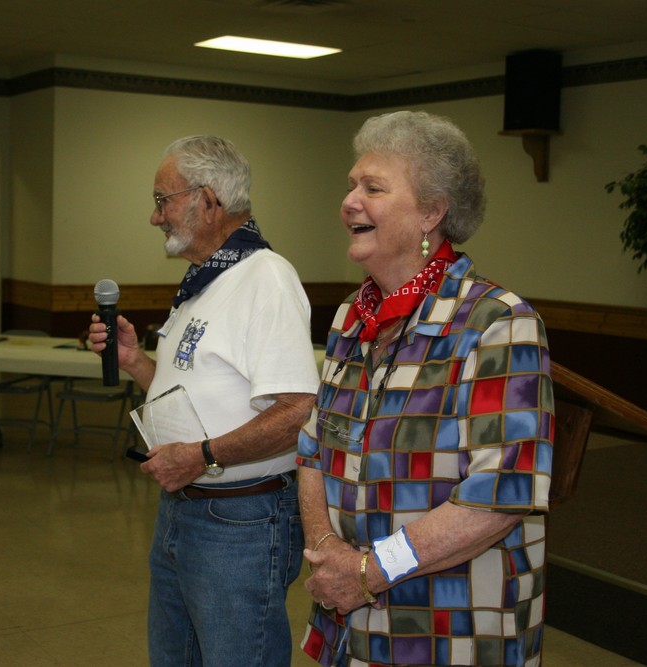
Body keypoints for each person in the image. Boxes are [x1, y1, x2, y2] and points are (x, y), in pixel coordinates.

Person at [298, 111, 554, 667]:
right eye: (350, 185)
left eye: (373, 188)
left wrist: (370, 570)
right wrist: (327, 552)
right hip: (349, 618)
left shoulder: (495, 323)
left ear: (432, 213)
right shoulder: (352, 317)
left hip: (450, 628)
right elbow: (313, 450)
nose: (350, 201)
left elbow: (502, 491)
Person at [88, 135, 320, 666]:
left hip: (241, 519)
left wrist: (202, 456)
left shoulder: (265, 278)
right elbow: (194, 395)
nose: (155, 218)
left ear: (209, 200)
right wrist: (135, 363)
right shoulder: (205, 281)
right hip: (183, 509)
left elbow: (298, 411)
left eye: (161, 199)